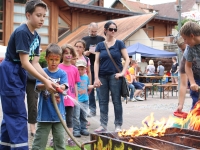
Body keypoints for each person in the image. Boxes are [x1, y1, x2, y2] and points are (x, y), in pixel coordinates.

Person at [0, 1, 56, 149]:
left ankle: (5, 146)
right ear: (28, 15)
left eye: (44, 16)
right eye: (38, 15)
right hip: (11, 70)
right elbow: (25, 63)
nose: (42, 19)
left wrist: (49, 79)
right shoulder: (22, 32)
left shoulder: (36, 36)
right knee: (17, 114)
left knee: (10, 114)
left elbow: (35, 63)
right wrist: (44, 80)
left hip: (19, 72)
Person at [94, 21, 130, 132]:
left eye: (115, 29)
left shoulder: (119, 43)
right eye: (111, 29)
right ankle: (103, 125)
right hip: (102, 76)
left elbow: (127, 59)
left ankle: (118, 125)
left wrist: (123, 73)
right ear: (105, 30)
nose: (113, 31)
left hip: (115, 76)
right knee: (103, 101)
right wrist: (96, 78)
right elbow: (96, 62)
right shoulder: (100, 45)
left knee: (116, 101)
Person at [32, 43, 68, 150]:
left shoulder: (62, 74)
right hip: (44, 115)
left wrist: (60, 87)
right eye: (51, 59)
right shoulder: (42, 72)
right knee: (39, 143)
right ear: (47, 58)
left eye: (56, 59)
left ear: (60, 59)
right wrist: (47, 84)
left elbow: (64, 86)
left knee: (60, 143)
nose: (53, 62)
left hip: (59, 116)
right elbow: (38, 86)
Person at [58, 44, 80, 146]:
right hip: (59, 98)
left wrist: (76, 97)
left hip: (70, 99)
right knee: (58, 119)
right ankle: (55, 138)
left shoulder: (75, 69)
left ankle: (70, 139)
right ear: (61, 54)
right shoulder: (58, 67)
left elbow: (75, 83)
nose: (68, 55)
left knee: (69, 119)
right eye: (66, 53)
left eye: (70, 53)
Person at [82, 22, 105, 117]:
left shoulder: (101, 39)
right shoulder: (84, 39)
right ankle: (92, 110)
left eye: (95, 31)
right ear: (88, 29)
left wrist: (98, 53)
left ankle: (103, 110)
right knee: (90, 88)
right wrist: (85, 53)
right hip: (88, 66)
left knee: (100, 89)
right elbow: (80, 51)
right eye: (92, 31)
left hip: (99, 66)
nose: (93, 33)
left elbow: (105, 51)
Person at [179, 21, 200, 110]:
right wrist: (192, 82)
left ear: (192, 35)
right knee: (196, 106)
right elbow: (188, 66)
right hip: (198, 78)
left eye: (185, 39)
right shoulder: (190, 48)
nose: (185, 42)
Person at [73, 60, 94, 137]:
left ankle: (83, 128)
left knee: (84, 115)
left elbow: (87, 86)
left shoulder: (86, 77)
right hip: (77, 100)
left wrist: (94, 86)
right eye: (78, 69)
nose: (80, 71)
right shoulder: (74, 77)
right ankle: (76, 130)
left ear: (85, 69)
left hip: (85, 100)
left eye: (82, 69)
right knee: (76, 116)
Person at [175, 36, 188, 112]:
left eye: (185, 49)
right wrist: (180, 104)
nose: (184, 52)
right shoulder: (183, 62)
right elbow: (183, 84)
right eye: (182, 50)